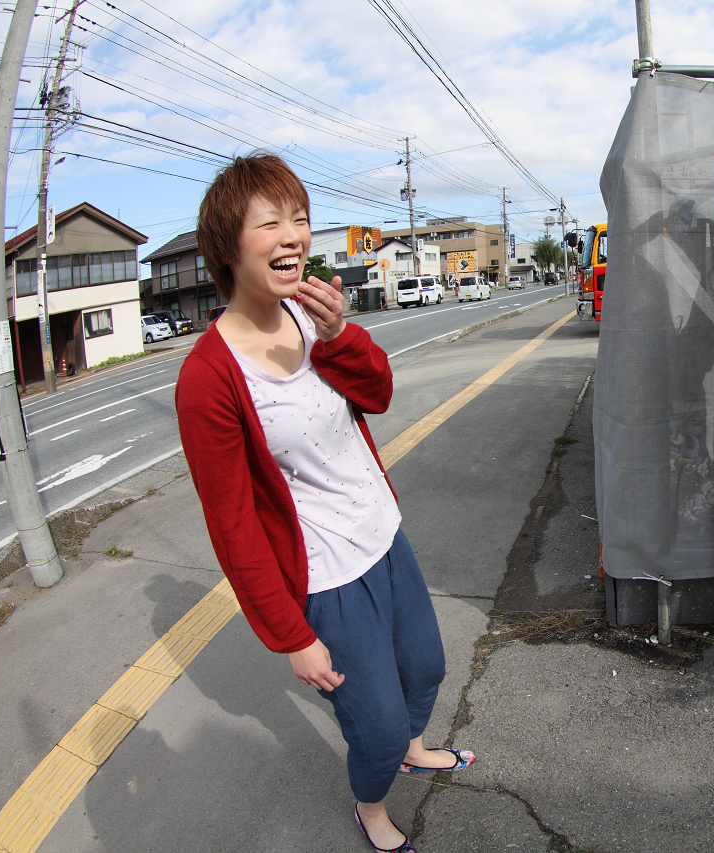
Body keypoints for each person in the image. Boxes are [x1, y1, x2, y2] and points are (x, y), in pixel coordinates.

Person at [176, 153, 472, 852]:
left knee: (426, 668)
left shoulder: (311, 315)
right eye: (269, 222)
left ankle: (414, 749)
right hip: (324, 577)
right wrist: (292, 636)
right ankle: (373, 808)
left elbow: (378, 394)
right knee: (374, 726)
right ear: (226, 246)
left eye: (300, 218)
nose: (292, 236)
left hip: (383, 534)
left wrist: (339, 335)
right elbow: (233, 525)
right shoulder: (208, 377)